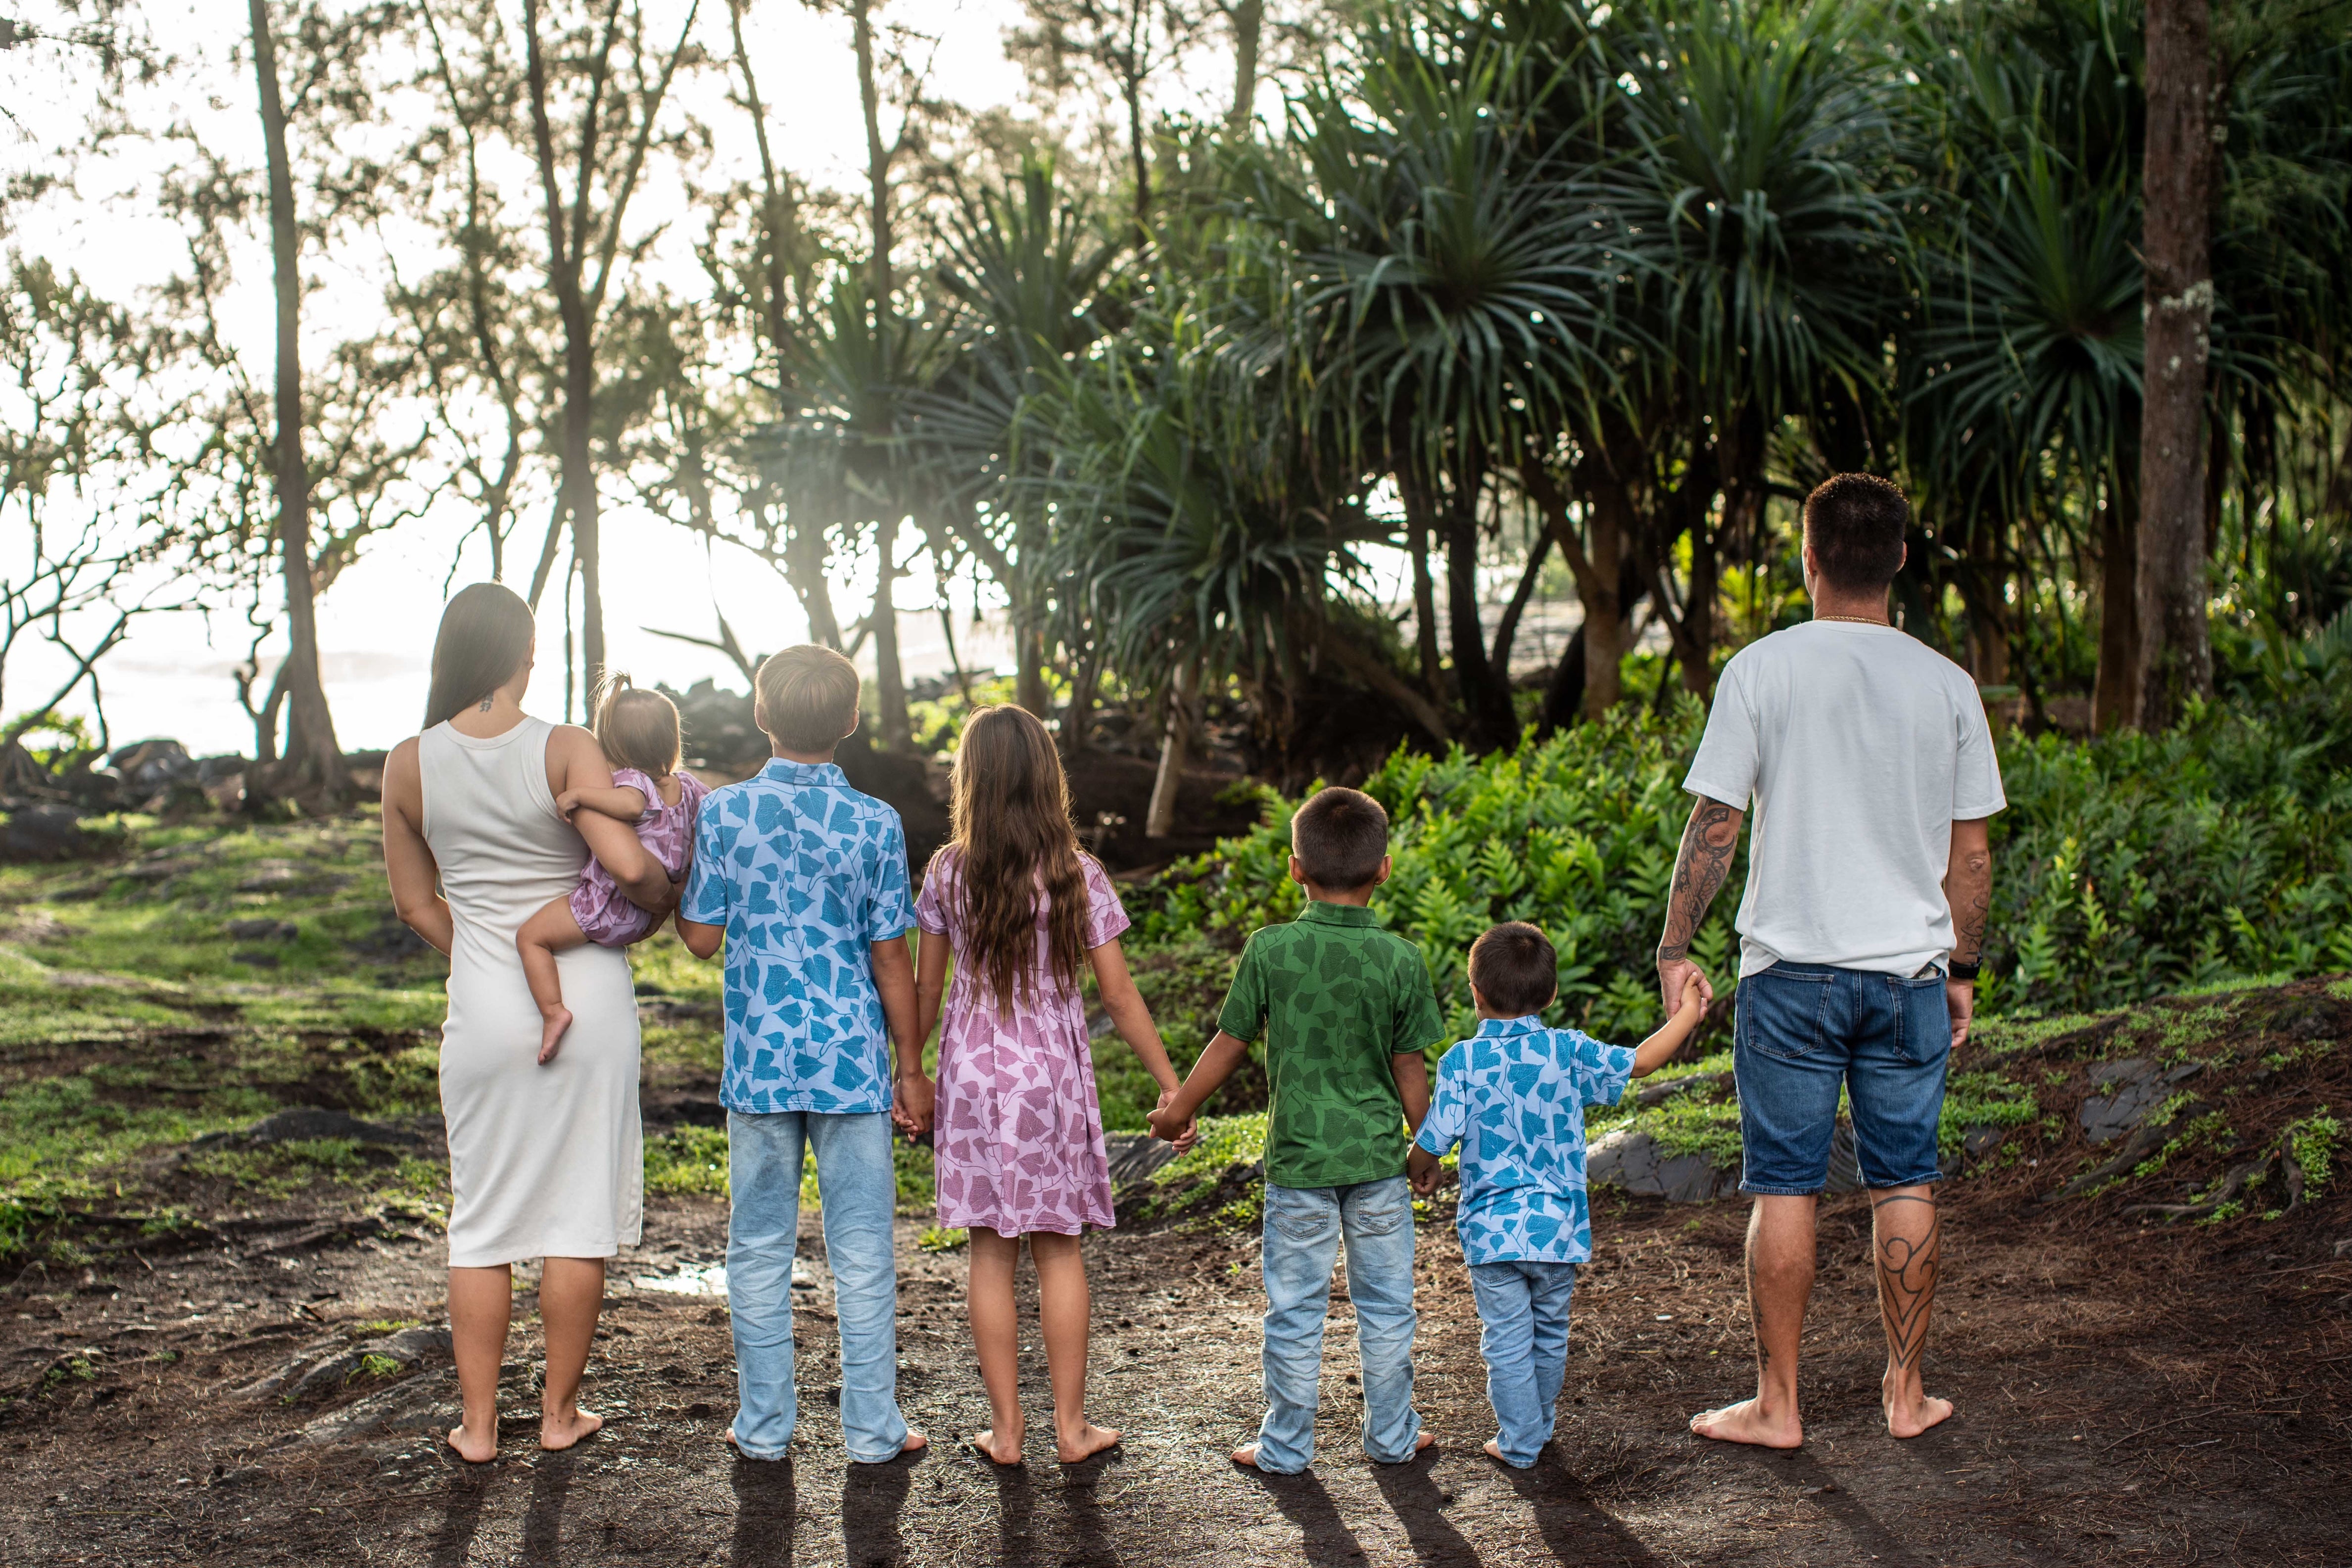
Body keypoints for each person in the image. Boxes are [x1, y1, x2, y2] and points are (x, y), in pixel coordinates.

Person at [1656, 472, 2002, 1449]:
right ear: (1898, 558)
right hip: (1908, 980)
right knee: (1906, 1180)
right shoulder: (1947, 684)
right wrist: (1962, 968)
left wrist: (1674, 943)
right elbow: (1969, 855)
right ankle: (1905, 1394)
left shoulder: (1760, 672)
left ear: (1807, 559)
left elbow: (1715, 823)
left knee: (1786, 1185)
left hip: (1788, 979)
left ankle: (1779, 1405)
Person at [381, 582, 673, 1463]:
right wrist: (660, 901)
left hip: (482, 1007)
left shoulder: (406, 763)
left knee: (482, 1221)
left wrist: (478, 948)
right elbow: (628, 868)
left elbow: (412, 903)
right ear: (522, 654)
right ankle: (556, 1413)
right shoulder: (565, 744)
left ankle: (476, 1425)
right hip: (585, 1001)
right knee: (575, 1217)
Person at [913, 705, 1195, 1466]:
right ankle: (1071, 1430)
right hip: (1049, 1076)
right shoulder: (1078, 872)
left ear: (969, 779)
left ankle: (1007, 1433)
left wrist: (909, 1073)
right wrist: (1174, 1087)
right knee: (1059, 1251)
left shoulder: (947, 870)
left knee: (989, 1253)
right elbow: (1119, 997)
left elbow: (926, 990)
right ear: (1048, 776)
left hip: (972, 1072)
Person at [675, 644, 931, 1465]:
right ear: (851, 721)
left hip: (759, 1062)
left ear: (760, 714)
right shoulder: (875, 822)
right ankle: (871, 1428)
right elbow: (893, 954)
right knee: (861, 1243)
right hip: (851, 1062)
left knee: (755, 1244)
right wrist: (910, 1064)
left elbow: (701, 939)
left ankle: (762, 1427)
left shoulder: (723, 814)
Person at [1147, 786, 1446, 1474]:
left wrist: (1178, 1110)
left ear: (1294, 868)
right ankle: (1393, 1437)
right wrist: (1423, 1145)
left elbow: (1229, 1043)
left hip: (1299, 1167)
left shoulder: (1271, 950)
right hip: (1377, 1164)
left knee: (1294, 1311)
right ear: (1384, 869)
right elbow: (1409, 1064)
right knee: (1387, 1307)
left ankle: (1285, 1448)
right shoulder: (1402, 958)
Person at [1407, 923, 1708, 1468]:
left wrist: (1418, 1170)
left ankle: (1520, 1441)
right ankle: (1538, 1427)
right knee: (1548, 1334)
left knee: (1505, 1340)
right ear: (1550, 994)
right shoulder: (1567, 1050)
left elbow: (1433, 1138)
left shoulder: (1461, 1062)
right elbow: (1639, 1063)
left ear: (1475, 993)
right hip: (1558, 1228)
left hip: (1494, 1234)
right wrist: (1687, 1011)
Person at [515, 677, 709, 1064]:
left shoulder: (628, 782)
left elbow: (632, 807)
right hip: (649, 912)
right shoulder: (689, 787)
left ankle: (554, 1011)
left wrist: (579, 794)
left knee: (530, 937)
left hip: (608, 906)